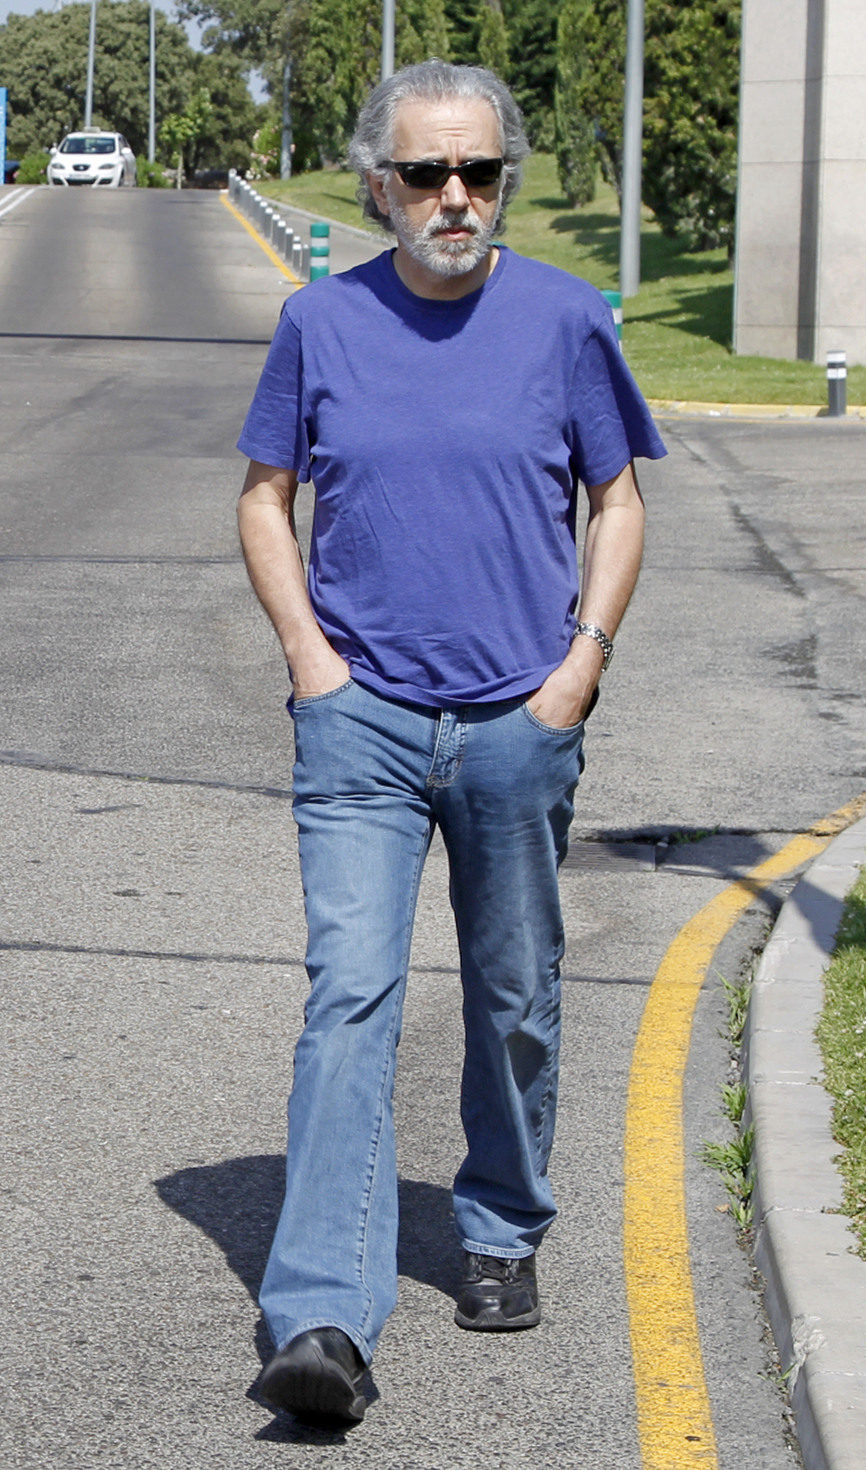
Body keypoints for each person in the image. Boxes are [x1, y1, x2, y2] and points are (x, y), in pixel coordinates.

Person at [236, 59, 666, 1425]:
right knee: (349, 994)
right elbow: (265, 498)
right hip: (357, 720)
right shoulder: (319, 321)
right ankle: (320, 1312)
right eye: (427, 173)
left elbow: (620, 499)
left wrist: (579, 667)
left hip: (515, 720)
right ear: (379, 185)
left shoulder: (562, 321)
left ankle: (498, 1224)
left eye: (479, 171)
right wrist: (309, 656)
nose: (457, 197)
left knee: (514, 993)